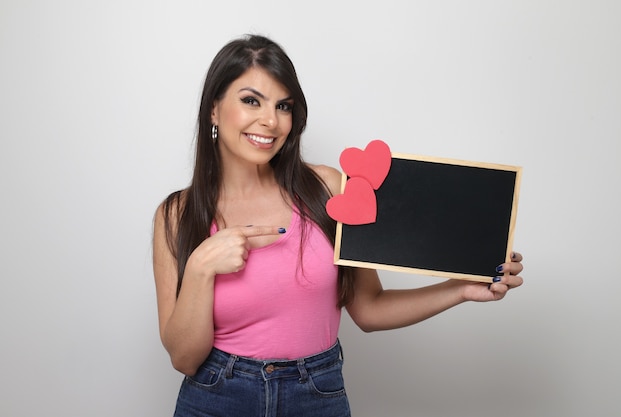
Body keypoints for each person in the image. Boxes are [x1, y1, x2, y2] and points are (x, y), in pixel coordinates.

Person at [152, 34, 524, 417]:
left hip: (314, 395)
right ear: (213, 110)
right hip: (216, 397)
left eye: (284, 106)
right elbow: (184, 358)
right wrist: (200, 268)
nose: (270, 120)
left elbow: (369, 308)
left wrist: (460, 287)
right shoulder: (177, 215)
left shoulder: (329, 189)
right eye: (251, 101)